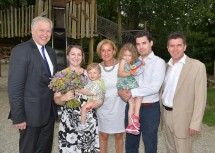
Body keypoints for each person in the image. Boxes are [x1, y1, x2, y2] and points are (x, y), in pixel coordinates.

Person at [8, 16, 58, 153]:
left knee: (45, 149)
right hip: (30, 115)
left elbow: (52, 82)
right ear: (32, 31)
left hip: (48, 113)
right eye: (41, 30)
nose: (45, 34)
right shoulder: (21, 50)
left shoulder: (51, 52)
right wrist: (19, 117)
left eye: (48, 31)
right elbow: (15, 87)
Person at [118, 31, 166, 153]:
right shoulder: (133, 61)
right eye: (138, 44)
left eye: (144, 43)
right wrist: (122, 92)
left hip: (150, 110)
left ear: (151, 43)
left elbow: (154, 87)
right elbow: (123, 78)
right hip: (131, 107)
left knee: (150, 144)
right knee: (131, 145)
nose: (141, 46)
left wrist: (132, 92)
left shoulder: (158, 62)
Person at [161, 32, 207, 153]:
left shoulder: (197, 66)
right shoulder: (166, 67)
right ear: (167, 47)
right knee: (171, 149)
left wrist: (195, 124)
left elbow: (200, 98)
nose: (175, 49)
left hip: (184, 119)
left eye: (179, 45)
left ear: (185, 47)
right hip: (166, 115)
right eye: (172, 45)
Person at [54, 45, 103, 153]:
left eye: (79, 54)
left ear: (82, 56)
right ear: (67, 56)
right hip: (68, 121)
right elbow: (56, 99)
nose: (76, 57)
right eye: (72, 54)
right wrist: (63, 97)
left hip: (87, 120)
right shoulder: (60, 75)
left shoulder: (90, 74)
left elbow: (100, 97)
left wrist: (93, 104)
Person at [96, 39, 126, 153]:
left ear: (114, 51)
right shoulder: (97, 68)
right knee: (103, 135)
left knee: (119, 136)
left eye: (109, 50)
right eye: (103, 50)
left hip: (119, 107)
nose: (106, 53)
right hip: (103, 107)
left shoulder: (122, 66)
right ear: (100, 52)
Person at [117, 43, 144, 135]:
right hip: (126, 83)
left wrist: (140, 63)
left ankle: (130, 126)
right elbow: (120, 73)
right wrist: (131, 74)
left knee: (132, 103)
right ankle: (136, 117)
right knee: (140, 94)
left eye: (129, 55)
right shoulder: (122, 62)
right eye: (125, 55)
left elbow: (136, 66)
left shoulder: (130, 64)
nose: (127, 57)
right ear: (122, 55)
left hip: (128, 83)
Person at [78, 63, 105, 131]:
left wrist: (81, 91)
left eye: (94, 73)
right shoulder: (94, 81)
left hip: (94, 100)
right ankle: (85, 121)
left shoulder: (96, 83)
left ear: (99, 74)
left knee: (83, 108)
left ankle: (82, 124)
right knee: (86, 110)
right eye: (90, 73)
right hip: (93, 100)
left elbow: (91, 93)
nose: (92, 75)